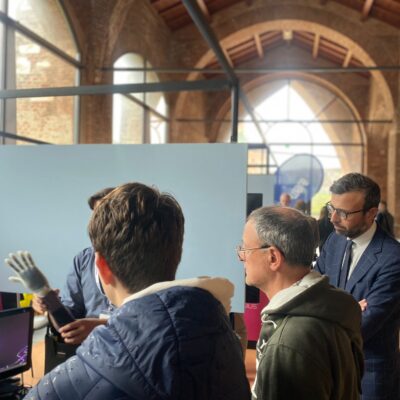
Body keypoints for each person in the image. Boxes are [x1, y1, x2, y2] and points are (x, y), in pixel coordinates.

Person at [26, 182, 251, 400]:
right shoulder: (220, 335)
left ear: (102, 266)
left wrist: (107, 328)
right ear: (176, 252)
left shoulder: (81, 378)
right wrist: (50, 300)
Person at [238, 206, 363, 400]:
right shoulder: (329, 306)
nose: (242, 257)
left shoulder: (289, 342)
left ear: (273, 257)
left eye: (246, 249)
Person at [315, 173, 400, 400]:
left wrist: (326, 311)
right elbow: (312, 293)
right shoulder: (334, 240)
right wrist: (350, 308)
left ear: (371, 213)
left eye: (343, 213)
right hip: (329, 370)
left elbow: (363, 325)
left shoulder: (393, 258)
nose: (333, 218)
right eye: (332, 208)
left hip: (369, 375)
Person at [32, 187, 115, 344]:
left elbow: (151, 321)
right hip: (88, 350)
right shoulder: (83, 260)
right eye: (95, 216)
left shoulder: (145, 259)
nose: (97, 223)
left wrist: (104, 326)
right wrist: (51, 304)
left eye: (105, 214)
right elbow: (67, 325)